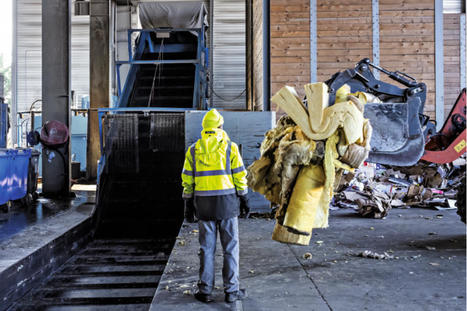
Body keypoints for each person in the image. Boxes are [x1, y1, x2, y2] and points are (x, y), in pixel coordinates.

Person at [181, 109, 251, 303]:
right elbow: (239, 175)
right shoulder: (230, 147)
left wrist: (187, 204)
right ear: (220, 126)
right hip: (227, 205)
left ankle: (205, 291)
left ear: (205, 128)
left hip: (204, 207)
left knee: (206, 249)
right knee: (231, 248)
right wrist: (244, 198)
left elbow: (187, 180)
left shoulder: (194, 150)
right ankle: (232, 291)